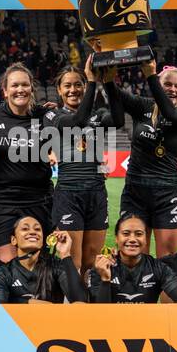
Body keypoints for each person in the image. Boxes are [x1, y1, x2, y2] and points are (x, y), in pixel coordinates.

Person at [103, 62, 177, 257]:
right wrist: (108, 77)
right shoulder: (142, 106)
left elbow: (170, 113)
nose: (172, 89)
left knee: (168, 260)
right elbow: (117, 95)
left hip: (167, 194)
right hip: (135, 191)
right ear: (159, 86)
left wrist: (151, 76)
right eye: (167, 84)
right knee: (133, 257)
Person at [0, 64, 58, 262]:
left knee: (36, 265)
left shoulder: (45, 117)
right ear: (5, 91)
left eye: (25, 85)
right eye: (14, 85)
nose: (20, 89)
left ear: (31, 88)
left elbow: (74, 136)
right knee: (5, 263)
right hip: (1, 201)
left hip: (38, 201)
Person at [51, 56, 117, 271]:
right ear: (59, 90)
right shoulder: (54, 115)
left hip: (97, 193)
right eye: (67, 85)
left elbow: (117, 118)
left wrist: (108, 82)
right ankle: (73, 305)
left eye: (78, 84)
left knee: (91, 262)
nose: (73, 90)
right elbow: (77, 120)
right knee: (73, 262)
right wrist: (91, 82)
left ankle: (89, 305)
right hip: (69, 195)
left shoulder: (98, 115)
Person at [87, 213, 177, 303]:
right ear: (116, 238)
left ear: (145, 239)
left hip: (147, 326)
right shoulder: (101, 267)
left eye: (138, 234)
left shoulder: (158, 268)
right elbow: (98, 313)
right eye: (126, 233)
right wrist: (105, 280)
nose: (132, 239)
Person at [0, 217, 84, 303]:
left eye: (37, 229)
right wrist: (28, 303)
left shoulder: (55, 265)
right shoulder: (3, 272)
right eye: (25, 229)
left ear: (42, 239)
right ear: (14, 240)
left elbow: (81, 302)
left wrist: (65, 254)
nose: (32, 232)